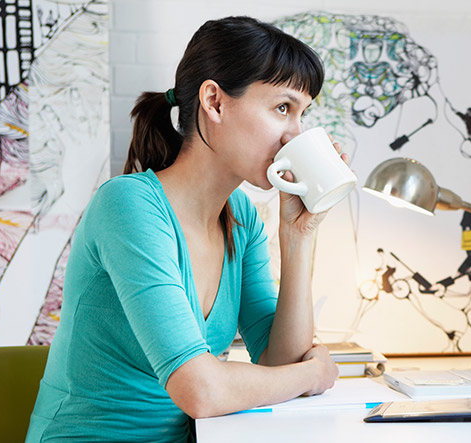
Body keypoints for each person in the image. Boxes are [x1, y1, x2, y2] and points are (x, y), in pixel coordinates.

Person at [26, 16, 341, 442]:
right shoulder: (129, 206)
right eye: (282, 108)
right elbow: (201, 391)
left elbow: (276, 360)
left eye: (303, 114)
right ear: (214, 101)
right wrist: (311, 373)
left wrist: (299, 235)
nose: (295, 135)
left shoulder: (241, 217)